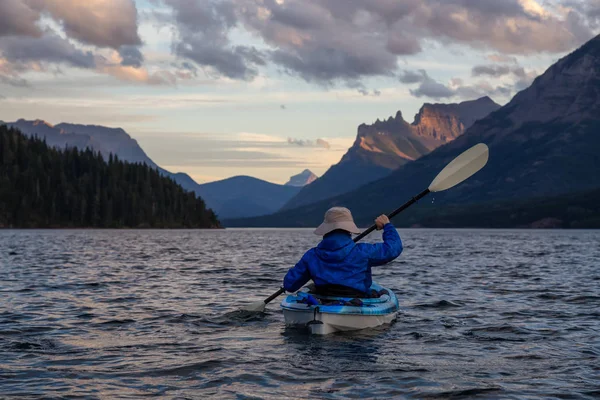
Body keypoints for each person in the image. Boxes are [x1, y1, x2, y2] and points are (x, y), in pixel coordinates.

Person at [283, 207, 402, 298]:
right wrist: (387, 225)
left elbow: (290, 285)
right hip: (355, 300)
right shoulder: (362, 252)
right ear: (349, 230)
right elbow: (393, 248)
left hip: (324, 301)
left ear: (326, 230)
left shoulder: (312, 255)